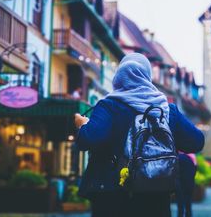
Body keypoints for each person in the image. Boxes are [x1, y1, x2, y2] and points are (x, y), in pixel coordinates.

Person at [74, 53, 204, 217]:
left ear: (119, 77)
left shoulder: (108, 106)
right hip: (155, 194)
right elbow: (197, 142)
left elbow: (87, 140)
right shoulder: (166, 110)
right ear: (147, 77)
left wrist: (83, 124)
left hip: (111, 196)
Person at [176, 153, 197, 217]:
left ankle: (180, 215)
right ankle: (188, 215)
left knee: (180, 203)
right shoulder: (192, 156)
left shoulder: (178, 157)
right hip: (189, 182)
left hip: (180, 183)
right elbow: (195, 169)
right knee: (188, 202)